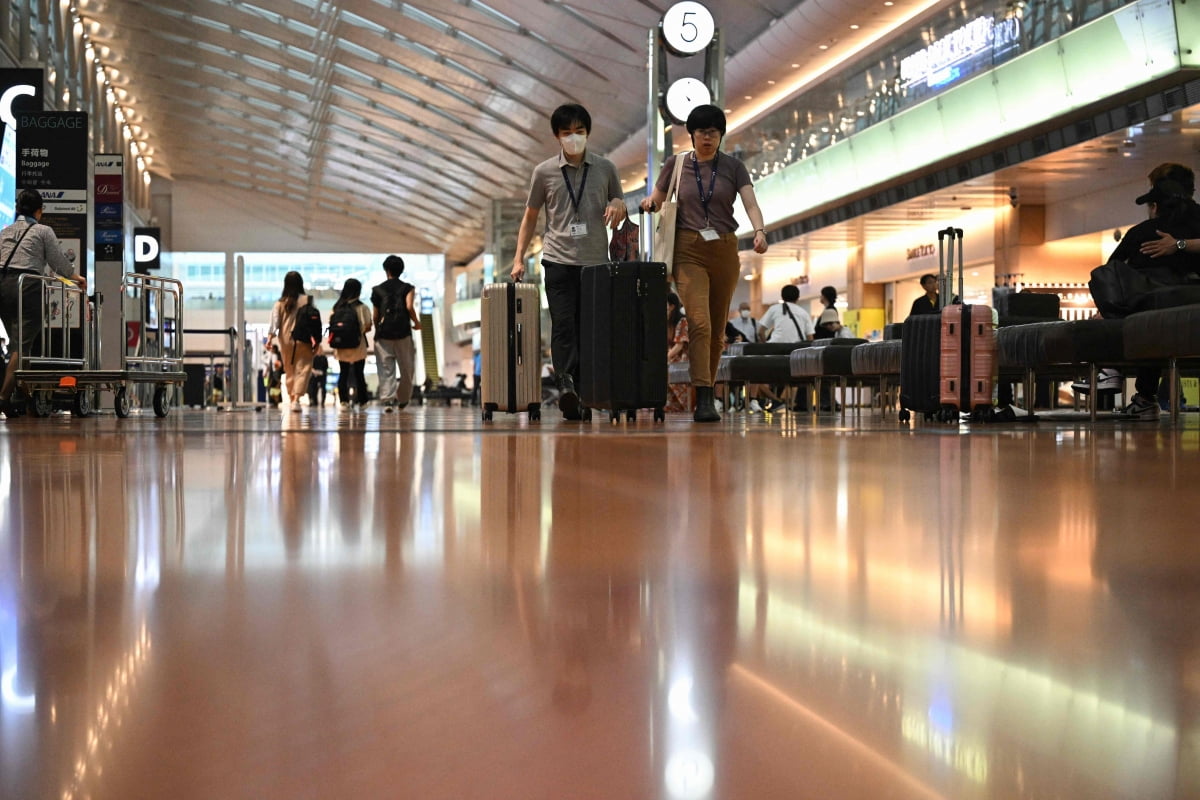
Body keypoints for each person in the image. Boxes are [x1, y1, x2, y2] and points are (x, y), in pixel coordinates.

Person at [640, 104, 769, 422]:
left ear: (721, 135)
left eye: (713, 132)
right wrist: (648, 204)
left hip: (724, 247)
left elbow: (750, 201)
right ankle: (706, 397)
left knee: (716, 329)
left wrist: (760, 230)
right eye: (701, 132)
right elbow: (657, 197)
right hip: (688, 249)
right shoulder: (677, 164)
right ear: (692, 134)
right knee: (699, 322)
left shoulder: (734, 167)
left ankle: (707, 390)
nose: (707, 137)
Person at [512, 103, 626, 420]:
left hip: (594, 264)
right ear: (557, 137)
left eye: (579, 132)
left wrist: (618, 205)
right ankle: (566, 386)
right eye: (567, 133)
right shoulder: (544, 172)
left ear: (588, 133)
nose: (573, 138)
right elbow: (530, 216)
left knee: (589, 329)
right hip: (557, 260)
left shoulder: (605, 168)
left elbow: (618, 199)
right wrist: (518, 257)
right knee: (563, 325)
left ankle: (585, 391)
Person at [1108, 173, 1200, 417]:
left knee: (1146, 323)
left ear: (1155, 206)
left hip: (1154, 320)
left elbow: (1110, 271)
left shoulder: (1143, 232)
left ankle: (1133, 388)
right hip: (1194, 315)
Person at [0, 188, 86, 417]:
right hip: (27, 287)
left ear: (17, 209)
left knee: (17, 345)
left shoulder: (5, 231)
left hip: (2, 287)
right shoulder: (43, 231)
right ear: (39, 211)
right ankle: (4, 397)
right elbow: (59, 263)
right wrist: (76, 277)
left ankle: (23, 395)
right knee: (22, 347)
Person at [370, 255, 422, 411]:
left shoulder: (377, 290)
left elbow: (375, 315)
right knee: (407, 368)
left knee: (386, 368)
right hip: (403, 333)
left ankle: (388, 400)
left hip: (384, 335)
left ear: (387, 270)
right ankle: (403, 399)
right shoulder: (408, 288)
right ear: (401, 270)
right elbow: (409, 307)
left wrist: (378, 329)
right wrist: (417, 323)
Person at [268, 270, 316, 413]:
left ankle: (291, 396)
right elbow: (314, 319)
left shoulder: (280, 303)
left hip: (286, 340)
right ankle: (296, 399)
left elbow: (274, 322)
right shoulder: (307, 300)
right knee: (304, 369)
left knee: (289, 370)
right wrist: (316, 339)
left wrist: (270, 338)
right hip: (304, 339)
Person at [330, 278, 373, 410]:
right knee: (359, 373)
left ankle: (343, 401)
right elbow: (368, 326)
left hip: (341, 346)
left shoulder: (337, 307)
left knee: (343, 373)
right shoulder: (362, 307)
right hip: (357, 345)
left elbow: (332, 325)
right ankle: (363, 401)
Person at [665, 292, 693, 413]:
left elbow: (680, 345)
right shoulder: (666, 322)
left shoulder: (682, 321)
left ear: (671, 306)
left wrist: (665, 358)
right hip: (672, 358)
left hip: (683, 359)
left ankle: (682, 405)